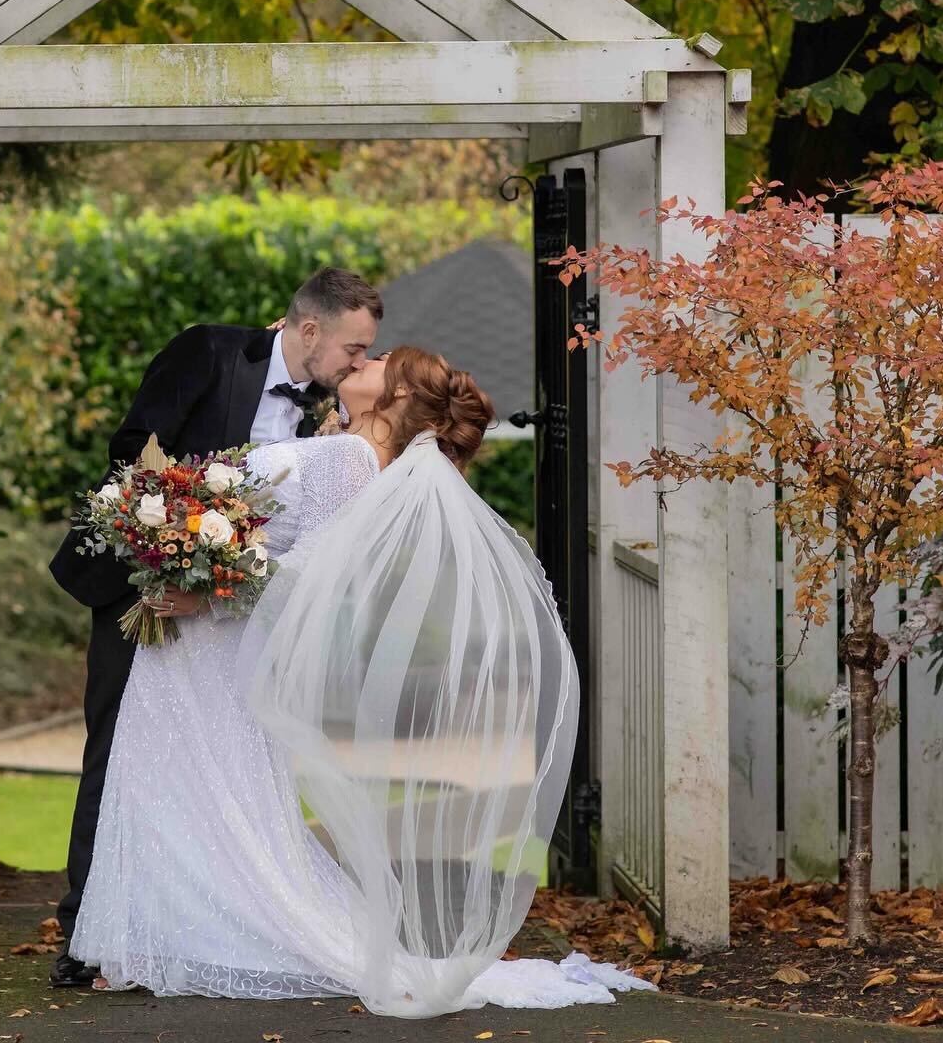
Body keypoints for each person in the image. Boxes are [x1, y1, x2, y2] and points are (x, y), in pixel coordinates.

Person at [70, 347, 653, 1017]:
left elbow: (300, 575)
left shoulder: (344, 461)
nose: (367, 357)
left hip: (203, 638)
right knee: (188, 785)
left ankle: (164, 942)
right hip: (204, 643)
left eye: (381, 358)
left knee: (176, 781)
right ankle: (152, 942)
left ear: (399, 397)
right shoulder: (347, 454)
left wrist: (204, 590)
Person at [47, 267, 384, 987]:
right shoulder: (209, 352)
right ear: (311, 329)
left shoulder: (332, 418)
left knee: (205, 763)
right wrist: (176, 538)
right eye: (354, 348)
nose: (357, 364)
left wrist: (219, 569)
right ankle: (87, 930)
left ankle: (182, 917)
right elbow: (133, 446)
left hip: (225, 616)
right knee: (114, 746)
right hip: (142, 582)